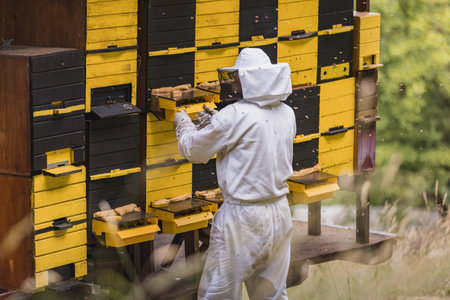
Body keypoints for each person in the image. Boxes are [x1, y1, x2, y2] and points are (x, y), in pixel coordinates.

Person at [173, 48, 296, 300]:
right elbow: (256, 137)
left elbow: (194, 151)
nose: (235, 82)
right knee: (272, 296)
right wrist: (218, 123)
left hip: (243, 219)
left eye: (238, 76)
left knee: (218, 295)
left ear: (249, 78)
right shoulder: (288, 112)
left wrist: (183, 123)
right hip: (280, 213)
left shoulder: (235, 116)